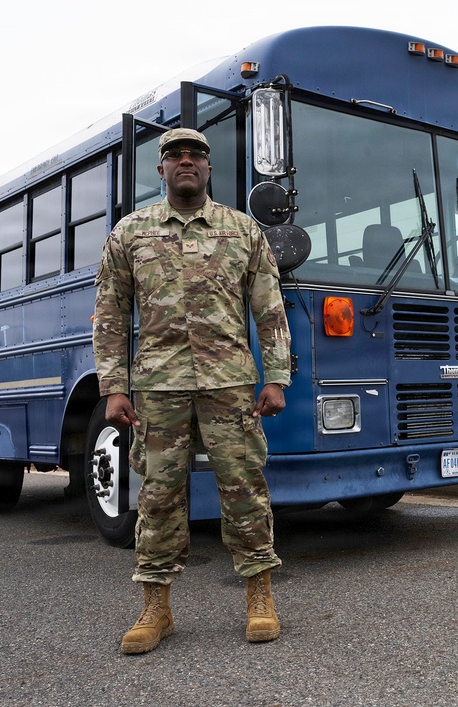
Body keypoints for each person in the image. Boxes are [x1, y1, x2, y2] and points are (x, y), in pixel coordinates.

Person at [92, 127, 292, 654]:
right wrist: (114, 387)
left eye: (196, 156)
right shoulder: (130, 234)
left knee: (245, 489)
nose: (186, 162)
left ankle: (260, 597)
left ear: (208, 169)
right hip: (158, 387)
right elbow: (111, 314)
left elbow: (269, 308)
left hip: (229, 384)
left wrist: (276, 376)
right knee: (158, 497)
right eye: (175, 156)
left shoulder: (243, 231)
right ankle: (156, 608)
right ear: (160, 170)